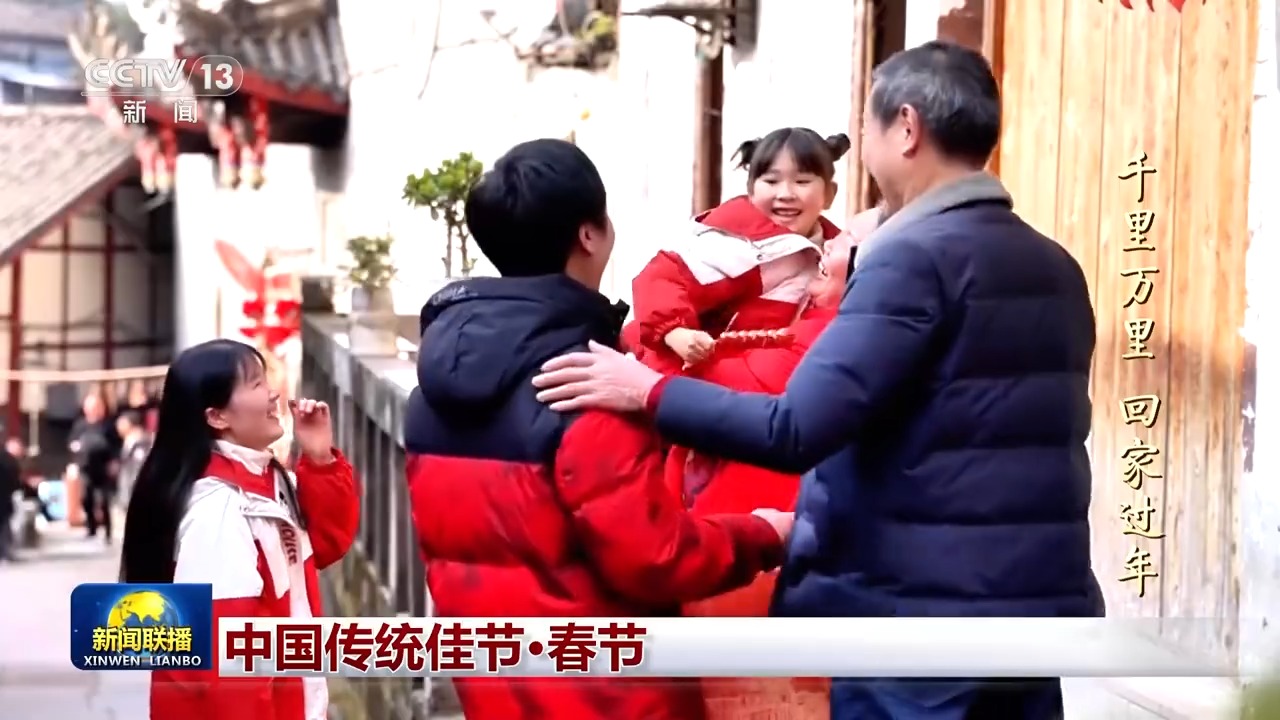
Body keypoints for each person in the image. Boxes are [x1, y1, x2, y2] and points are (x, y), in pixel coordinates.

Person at [533, 41, 1101, 720]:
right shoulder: (1054, 263)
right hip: (1035, 608)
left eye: (866, 128)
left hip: (918, 620)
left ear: (907, 128)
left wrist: (646, 390)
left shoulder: (912, 260)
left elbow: (795, 427)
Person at [403, 138, 793, 720]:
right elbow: (656, 558)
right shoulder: (584, 384)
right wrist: (764, 533)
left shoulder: (431, 389)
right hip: (611, 696)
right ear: (590, 234)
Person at [120, 338, 359, 720]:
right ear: (217, 417)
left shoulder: (264, 480)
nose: (273, 393)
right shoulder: (219, 508)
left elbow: (326, 543)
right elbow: (228, 665)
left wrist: (318, 457)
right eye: (256, 384)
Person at [624, 128, 850, 374]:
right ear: (751, 191)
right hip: (688, 367)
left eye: (802, 181)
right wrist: (674, 331)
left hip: (773, 376)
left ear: (830, 194)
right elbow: (663, 277)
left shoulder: (839, 253)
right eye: (771, 181)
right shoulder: (734, 241)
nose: (786, 194)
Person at [69, 392, 120, 541]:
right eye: (91, 407)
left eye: (96, 406)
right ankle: (91, 529)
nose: (94, 409)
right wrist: (74, 457)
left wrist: (114, 462)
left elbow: (116, 446)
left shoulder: (108, 426)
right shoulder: (80, 425)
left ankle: (108, 532)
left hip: (103, 467)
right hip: (85, 467)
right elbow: (72, 443)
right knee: (86, 499)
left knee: (103, 500)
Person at [115, 410, 150, 507]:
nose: (118, 426)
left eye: (122, 423)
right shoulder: (128, 442)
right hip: (127, 495)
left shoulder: (143, 444)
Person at [0, 436, 21, 561]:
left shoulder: (7, 459)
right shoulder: (8, 460)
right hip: (5, 497)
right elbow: (14, 482)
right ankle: (5, 551)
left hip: (4, 496)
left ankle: (5, 551)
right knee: (4, 525)